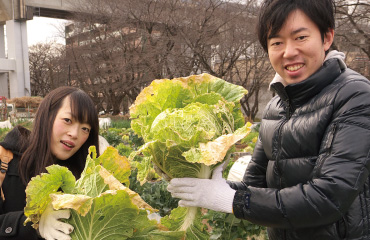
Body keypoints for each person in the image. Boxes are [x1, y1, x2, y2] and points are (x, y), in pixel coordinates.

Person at [167, 0, 370, 239]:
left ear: (326, 38)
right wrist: (207, 186)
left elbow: (329, 197)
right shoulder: (276, 106)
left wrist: (230, 199)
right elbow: (255, 187)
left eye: (300, 37)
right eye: (277, 42)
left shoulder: (354, 95)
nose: (289, 51)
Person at [0, 86, 100, 240]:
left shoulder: (86, 180)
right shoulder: (4, 161)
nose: (74, 134)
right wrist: (35, 224)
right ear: (46, 116)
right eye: (68, 120)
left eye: (85, 128)